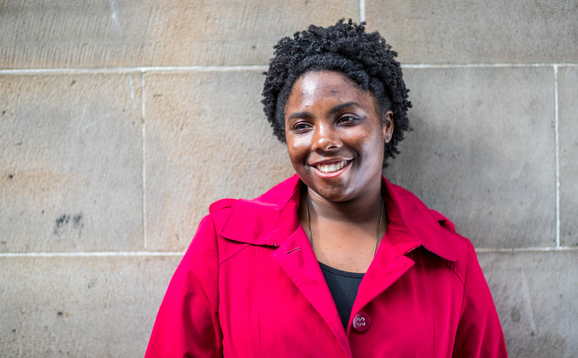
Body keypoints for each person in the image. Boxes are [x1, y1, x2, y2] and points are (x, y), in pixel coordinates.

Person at [145, 19, 507, 357]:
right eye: (302, 125)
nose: (323, 140)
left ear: (386, 125)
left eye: (346, 119)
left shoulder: (449, 259)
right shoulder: (224, 242)